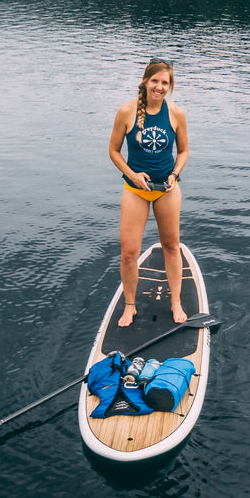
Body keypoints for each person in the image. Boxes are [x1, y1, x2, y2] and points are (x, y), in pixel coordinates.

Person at [109, 58, 190, 328]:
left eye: (165, 82)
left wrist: (175, 174)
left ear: (170, 85)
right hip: (135, 191)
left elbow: (183, 151)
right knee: (129, 252)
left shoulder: (176, 113)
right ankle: (130, 305)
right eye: (155, 81)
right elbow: (113, 150)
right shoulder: (126, 112)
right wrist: (132, 175)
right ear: (145, 81)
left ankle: (176, 301)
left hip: (167, 190)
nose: (159, 87)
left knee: (171, 246)